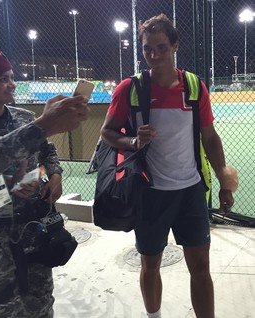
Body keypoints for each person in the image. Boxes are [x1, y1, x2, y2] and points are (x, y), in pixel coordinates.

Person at [100, 14, 236, 318]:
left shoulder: (193, 87)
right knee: (150, 264)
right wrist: (134, 142)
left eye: (161, 48)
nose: (154, 56)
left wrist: (224, 180)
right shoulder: (130, 89)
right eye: (148, 49)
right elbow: (107, 133)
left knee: (201, 265)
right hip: (150, 193)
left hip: (190, 191)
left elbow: (210, 137)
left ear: (175, 45)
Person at [0, 12, 88, 318]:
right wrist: (43, 126)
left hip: (2, 242)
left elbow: (39, 159)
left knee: (34, 304)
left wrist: (43, 176)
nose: (12, 85)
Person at [0, 50, 64, 318]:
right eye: (3, 79)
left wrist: (53, 174)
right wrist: (8, 187)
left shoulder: (24, 118)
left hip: (32, 224)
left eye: (11, 77)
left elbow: (46, 153)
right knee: (1, 305)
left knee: (41, 298)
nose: (12, 84)